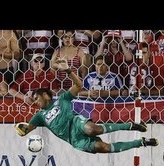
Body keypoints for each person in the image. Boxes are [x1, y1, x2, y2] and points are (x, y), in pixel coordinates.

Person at [14, 58, 159, 154]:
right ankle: (141, 142)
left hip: (76, 123)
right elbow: (27, 129)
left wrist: (68, 71)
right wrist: (20, 129)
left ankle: (130, 125)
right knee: (105, 147)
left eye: (36, 97)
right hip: (73, 139)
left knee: (92, 129)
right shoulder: (39, 116)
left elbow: (79, 85)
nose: (34, 101)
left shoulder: (62, 98)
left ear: (45, 95)